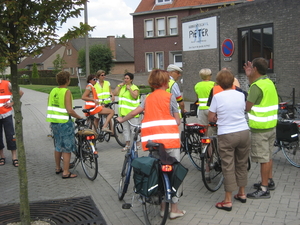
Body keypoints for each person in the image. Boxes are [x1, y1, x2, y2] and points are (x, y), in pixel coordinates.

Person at [117, 69, 186, 219]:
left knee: (157, 170)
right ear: (164, 82)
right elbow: (178, 120)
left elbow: (136, 112)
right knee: (174, 172)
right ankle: (174, 208)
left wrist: (122, 119)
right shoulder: (170, 97)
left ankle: (162, 207)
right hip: (170, 141)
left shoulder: (147, 98)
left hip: (153, 142)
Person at [208, 69, 250, 211]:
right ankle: (242, 193)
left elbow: (211, 117)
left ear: (219, 83)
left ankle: (227, 200)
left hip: (227, 134)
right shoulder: (240, 94)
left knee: (228, 165)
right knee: (242, 163)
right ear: (233, 82)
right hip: (244, 132)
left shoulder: (217, 97)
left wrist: (217, 117)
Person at [244, 57, 278, 199]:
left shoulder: (256, 87)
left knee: (263, 159)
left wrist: (250, 78)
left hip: (260, 129)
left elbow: (247, 107)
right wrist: (250, 76)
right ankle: (269, 181)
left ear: (255, 69)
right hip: (271, 126)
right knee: (268, 156)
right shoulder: (268, 82)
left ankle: (263, 188)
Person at [46, 71, 83, 178]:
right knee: (67, 147)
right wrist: (79, 117)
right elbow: (69, 110)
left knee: (58, 145)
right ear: (67, 80)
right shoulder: (66, 92)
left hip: (54, 122)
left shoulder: (53, 91)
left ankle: (58, 167)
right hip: (64, 123)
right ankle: (66, 172)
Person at [113, 72, 140, 151]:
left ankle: (137, 144)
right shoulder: (122, 87)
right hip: (123, 113)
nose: (125, 80)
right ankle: (127, 145)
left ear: (131, 80)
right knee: (126, 130)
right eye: (125, 78)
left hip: (132, 113)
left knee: (134, 130)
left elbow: (135, 96)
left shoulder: (134, 87)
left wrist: (130, 89)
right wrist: (119, 86)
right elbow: (114, 93)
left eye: (127, 78)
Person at [0, 80, 23, 167]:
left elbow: (20, 93)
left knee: (11, 135)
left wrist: (12, 103)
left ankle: (14, 157)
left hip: (6, 114)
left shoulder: (7, 84)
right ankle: (2, 156)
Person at [194, 68, 215, 134]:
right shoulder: (213, 84)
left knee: (204, 128)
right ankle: (212, 142)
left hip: (201, 109)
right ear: (209, 76)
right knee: (213, 127)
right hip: (211, 108)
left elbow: (197, 97)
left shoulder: (197, 85)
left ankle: (204, 142)